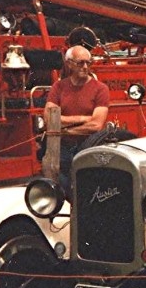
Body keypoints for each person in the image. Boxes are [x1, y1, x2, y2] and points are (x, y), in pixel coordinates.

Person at [44, 45, 111, 186]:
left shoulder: (101, 89)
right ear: (69, 64)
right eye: (80, 63)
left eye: (88, 62)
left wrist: (64, 129)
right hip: (62, 150)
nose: (85, 67)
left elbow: (96, 125)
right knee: (61, 187)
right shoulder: (58, 87)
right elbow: (50, 119)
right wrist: (83, 119)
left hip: (89, 147)